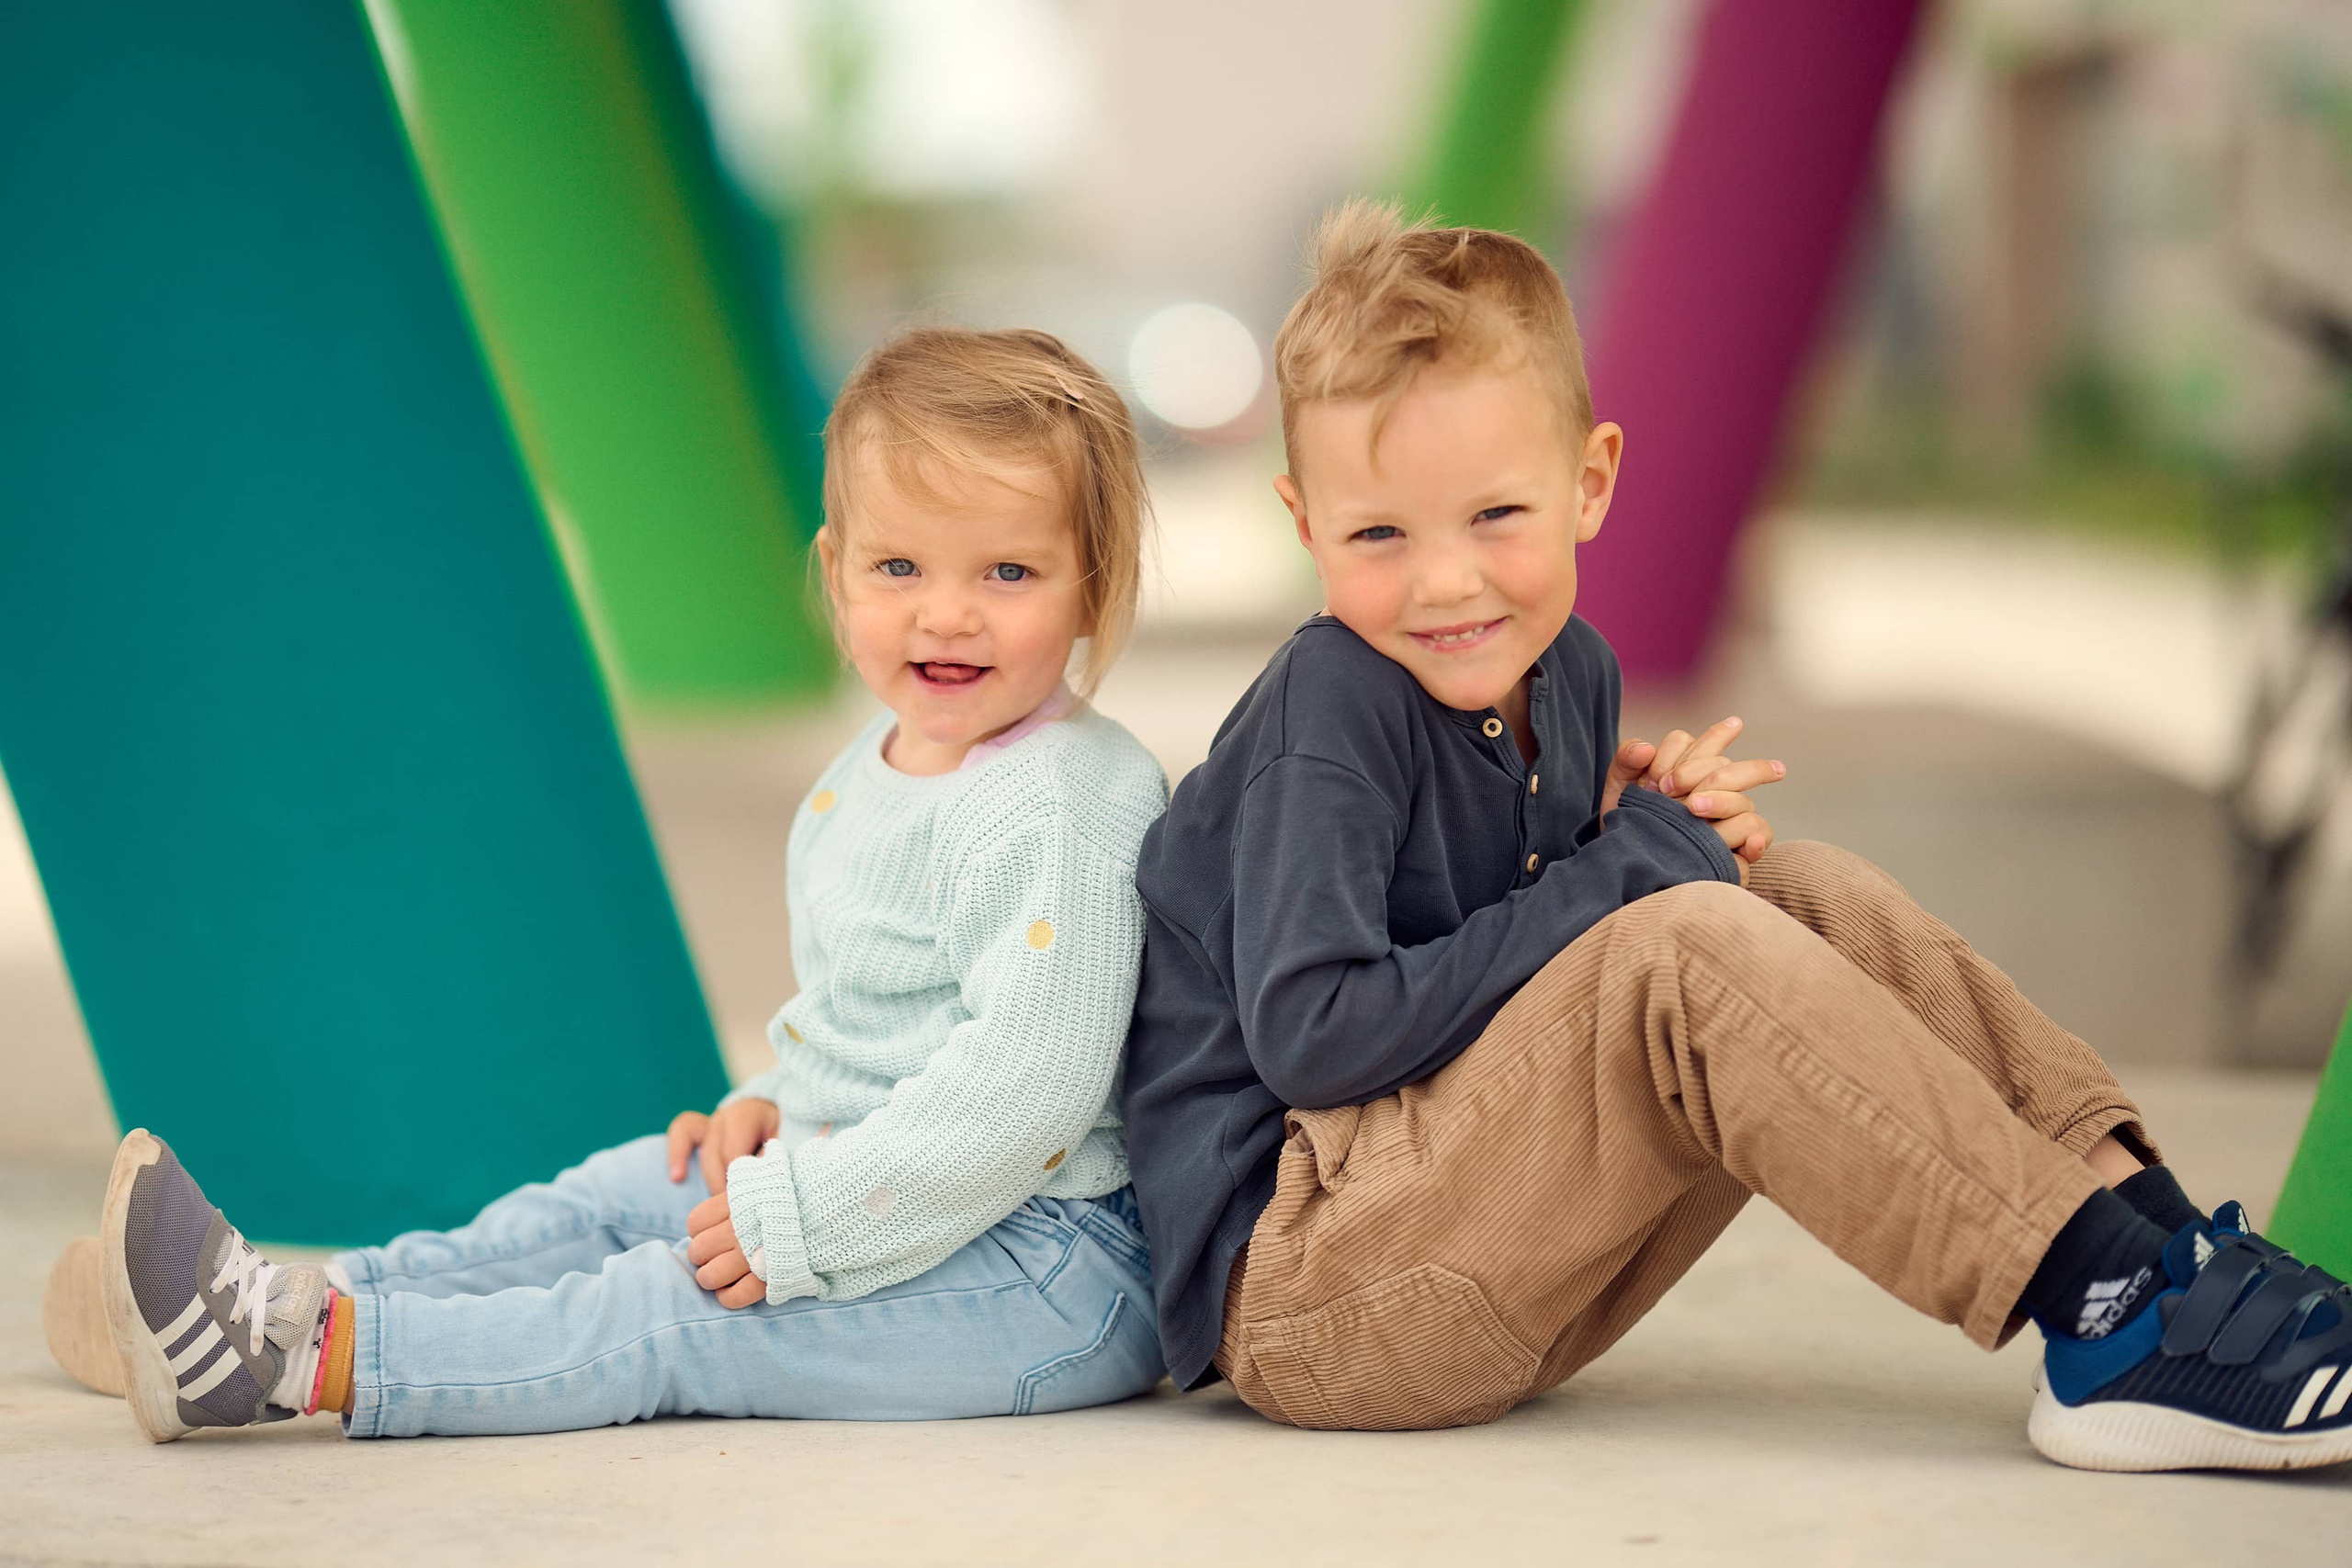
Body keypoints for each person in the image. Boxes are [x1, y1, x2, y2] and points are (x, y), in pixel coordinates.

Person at [1120, 201, 2352, 1472]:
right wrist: (1628, 873)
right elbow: (1319, 1033)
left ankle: (2158, 1258)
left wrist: (1642, 841)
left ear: (1590, 482)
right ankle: (2099, 1306)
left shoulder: (1571, 674)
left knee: (1791, 887)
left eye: (1496, 514)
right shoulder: (1332, 702)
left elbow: (1537, 954)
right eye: (1379, 531)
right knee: (1688, 944)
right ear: (1304, 520)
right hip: (1308, 1287)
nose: (1444, 580)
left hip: (1476, 1260)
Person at [99, 326, 1170, 1441]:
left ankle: (300, 1360)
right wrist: (785, 1101)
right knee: (611, 1197)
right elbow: (886, 1007)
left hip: (1044, 1263)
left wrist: (806, 1217)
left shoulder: (1060, 803)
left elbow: (1026, 1090)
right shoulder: (884, 759)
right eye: (898, 567)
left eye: (1008, 571)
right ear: (835, 570)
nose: (946, 613)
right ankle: (278, 1303)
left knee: (670, 1310)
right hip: (883, 1187)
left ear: (1092, 588)